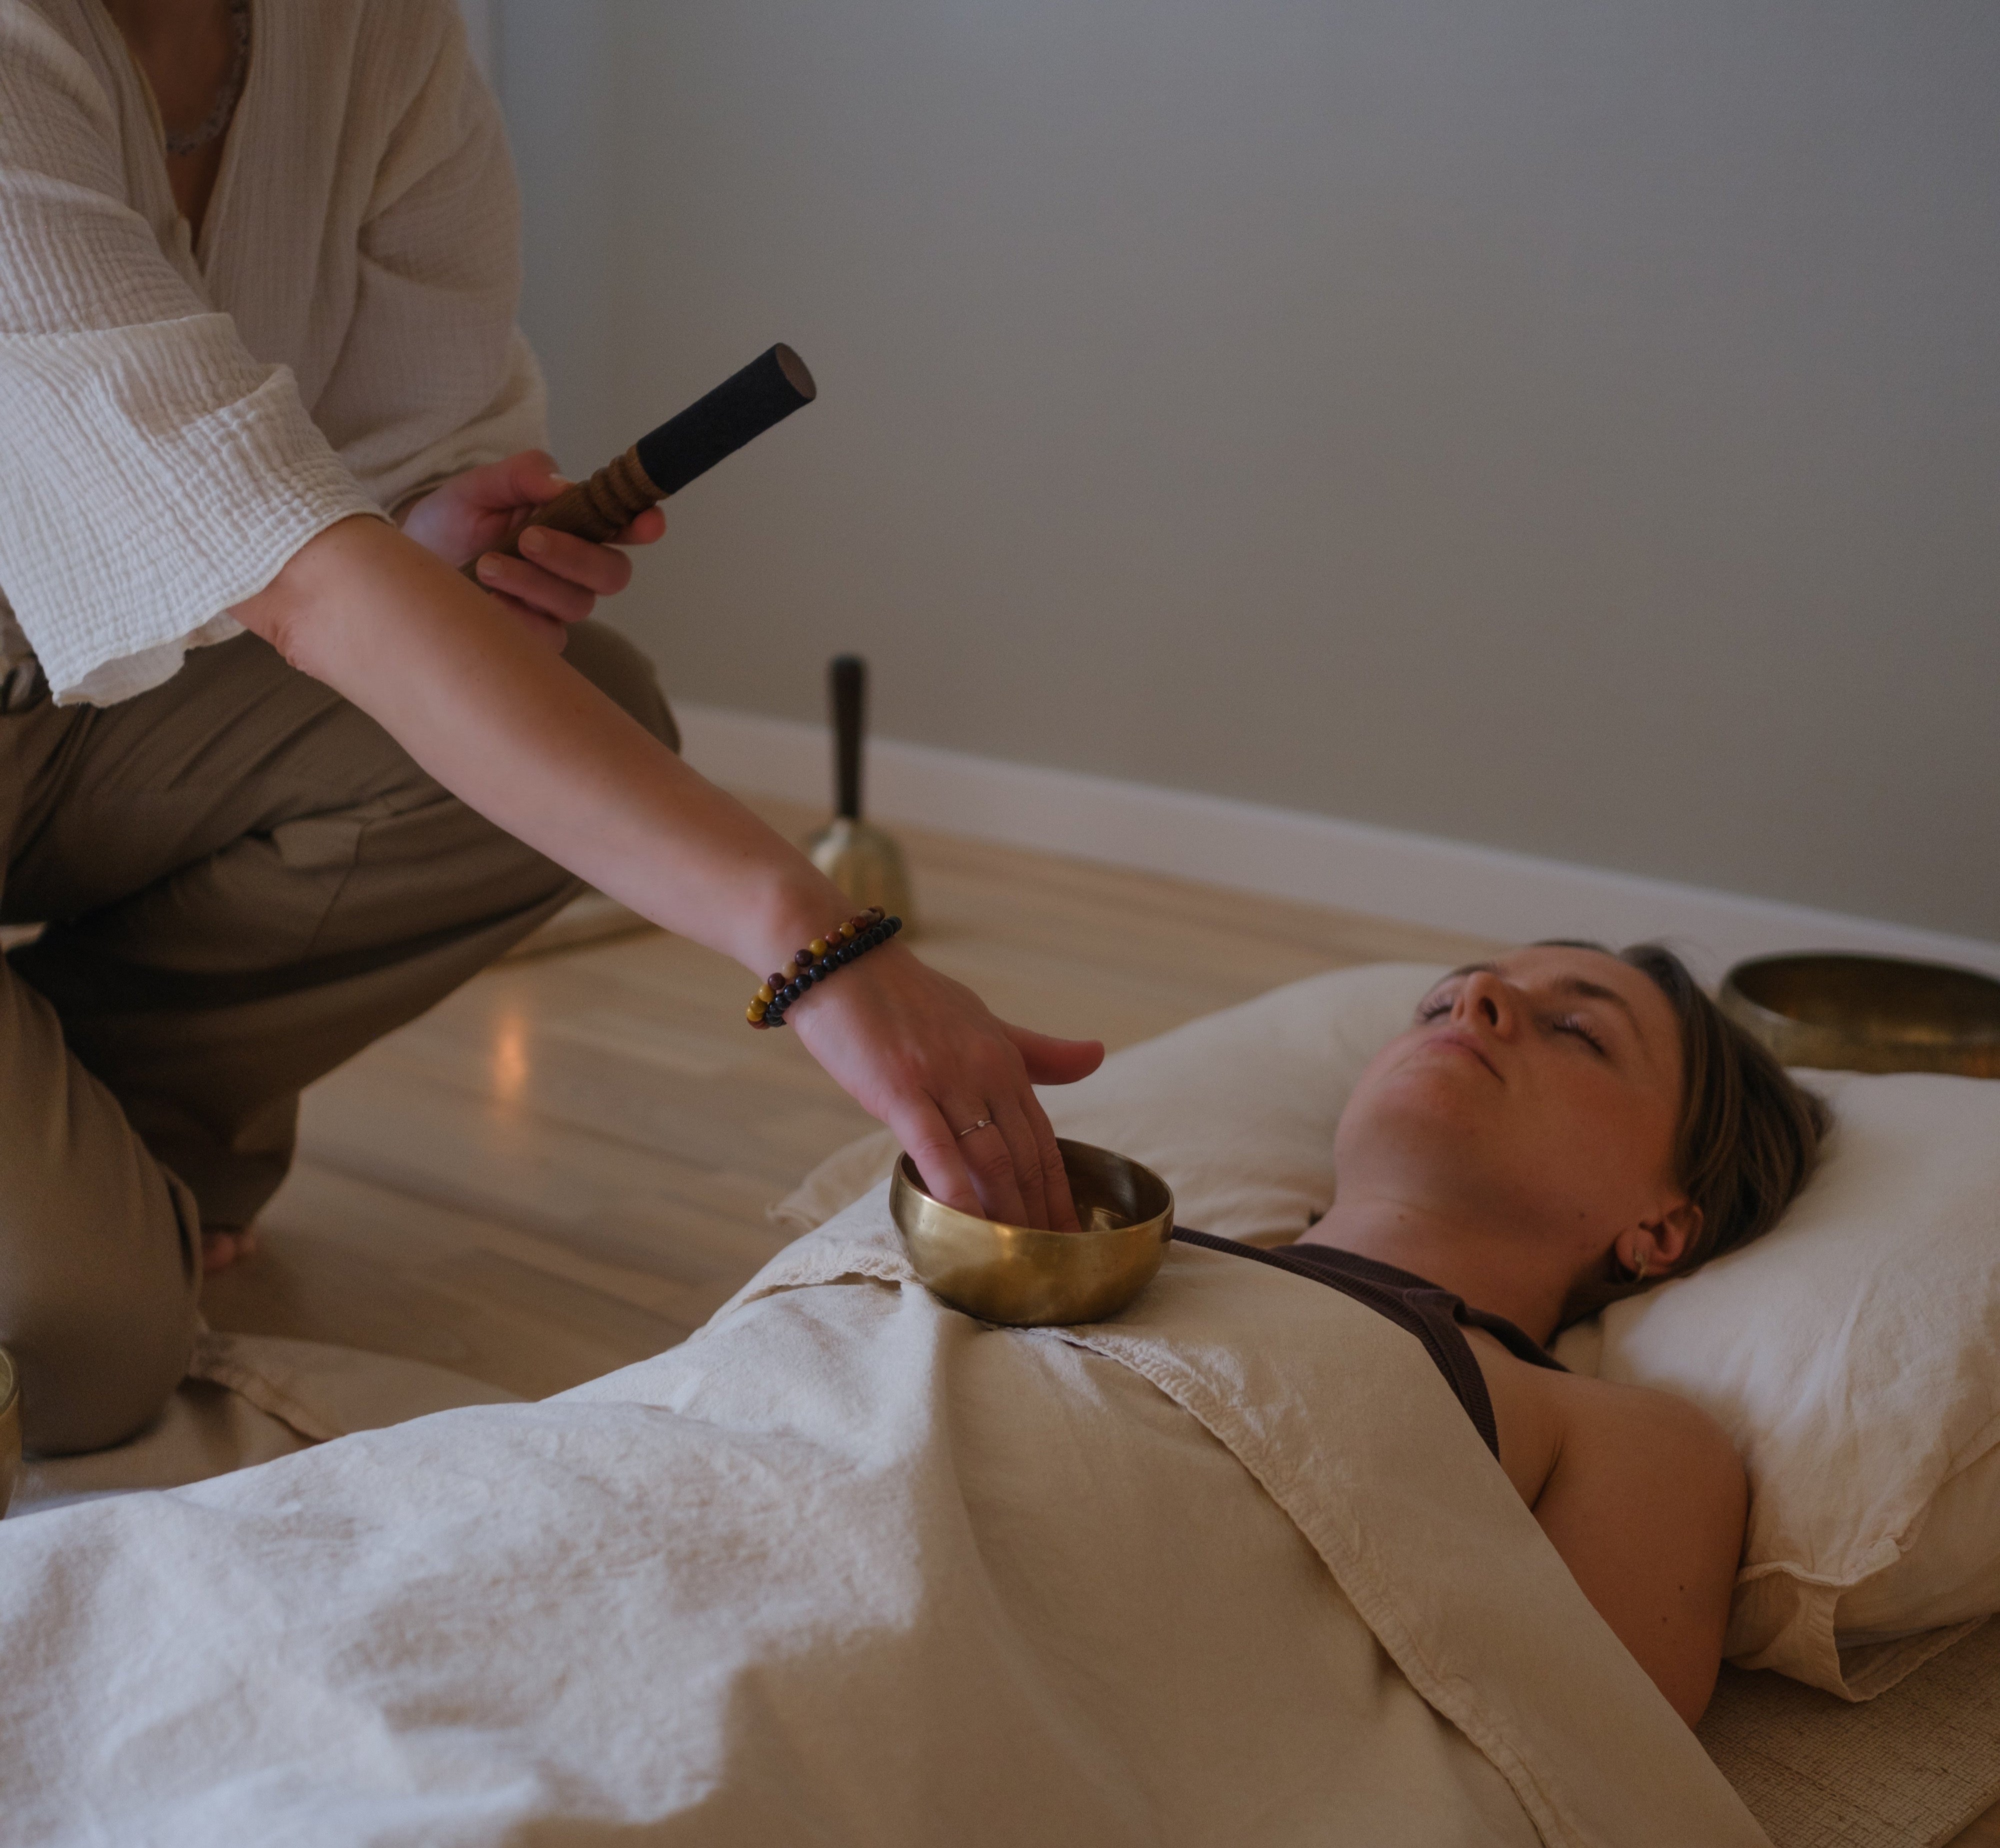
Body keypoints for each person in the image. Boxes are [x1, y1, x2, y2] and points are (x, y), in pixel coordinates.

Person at [0, 0, 1100, 1456]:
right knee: (86, 1353)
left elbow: (367, 501)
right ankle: (93, 1187)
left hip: (64, 709)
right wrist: (814, 939)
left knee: (593, 709)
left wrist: (422, 533)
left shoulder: (373, 33)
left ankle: (91, 1129)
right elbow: (307, 589)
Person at [1179, 942, 1829, 1724]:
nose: (1476, 993)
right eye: (1437, 1002)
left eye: (1576, 1030)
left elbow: (1580, 1786)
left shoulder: (1622, 1439)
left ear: (1661, 1226)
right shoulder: (1123, 1248)